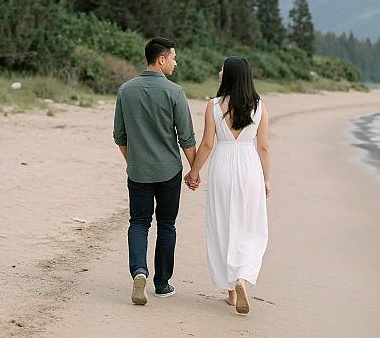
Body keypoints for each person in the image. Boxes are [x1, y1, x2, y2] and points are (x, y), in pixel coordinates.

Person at [113, 37, 196, 305]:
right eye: (173, 57)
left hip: (138, 170)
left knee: (138, 222)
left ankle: (139, 272)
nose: (175, 62)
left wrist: (133, 161)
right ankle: (161, 283)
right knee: (167, 224)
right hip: (168, 170)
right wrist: (194, 170)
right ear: (161, 59)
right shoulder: (175, 92)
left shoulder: (126, 90)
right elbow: (186, 138)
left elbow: (119, 136)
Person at [184, 57, 270, 315]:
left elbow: (208, 144)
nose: (219, 71)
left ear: (230, 75)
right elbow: (264, 146)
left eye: (222, 68)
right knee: (249, 225)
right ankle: (242, 276)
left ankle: (232, 293)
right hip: (249, 167)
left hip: (222, 166)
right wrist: (267, 178)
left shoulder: (213, 106)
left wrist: (194, 172)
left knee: (223, 225)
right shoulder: (259, 106)